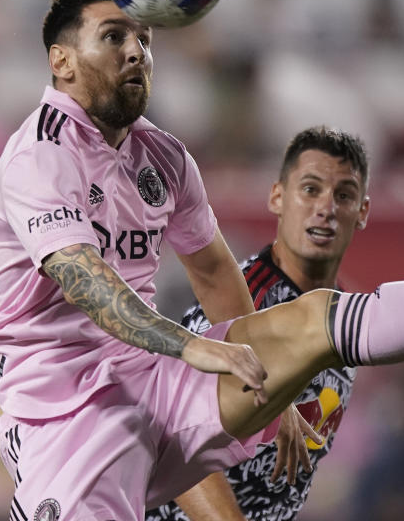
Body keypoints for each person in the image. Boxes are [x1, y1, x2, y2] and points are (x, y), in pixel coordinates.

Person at [0, 0, 404, 521]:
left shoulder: (160, 155)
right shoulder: (39, 154)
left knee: (315, 321)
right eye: (113, 36)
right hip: (67, 415)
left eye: (143, 38)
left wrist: (271, 394)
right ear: (62, 61)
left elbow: (214, 269)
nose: (136, 50)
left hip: (151, 381)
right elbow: (88, 285)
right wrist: (192, 346)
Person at [145, 126, 368, 521]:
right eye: (311, 189)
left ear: (362, 211)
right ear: (277, 197)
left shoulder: (342, 322)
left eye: (344, 195)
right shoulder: (243, 304)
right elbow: (171, 435)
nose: (326, 208)